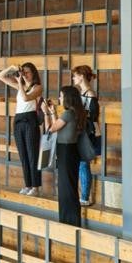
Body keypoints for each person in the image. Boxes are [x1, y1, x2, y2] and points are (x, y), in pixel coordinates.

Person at [0, 62, 43, 196]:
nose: (25, 75)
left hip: (30, 120)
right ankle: (28, 184)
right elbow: (0, 76)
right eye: (23, 72)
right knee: (23, 155)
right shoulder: (20, 85)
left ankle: (35, 186)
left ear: (33, 73)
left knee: (32, 154)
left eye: (27, 72)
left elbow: (26, 97)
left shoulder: (38, 87)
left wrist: (20, 83)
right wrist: (12, 68)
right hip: (18, 120)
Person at [42, 86, 85, 227]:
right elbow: (59, 127)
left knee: (66, 187)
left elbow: (50, 129)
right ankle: (71, 219)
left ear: (67, 97)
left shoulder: (68, 114)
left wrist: (45, 114)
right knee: (69, 186)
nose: (59, 98)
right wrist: (53, 112)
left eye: (61, 96)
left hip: (66, 151)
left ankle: (68, 220)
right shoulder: (75, 112)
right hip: (71, 151)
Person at [71, 65, 100, 207]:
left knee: (84, 164)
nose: (73, 78)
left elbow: (93, 116)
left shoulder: (90, 94)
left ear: (81, 76)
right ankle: (82, 195)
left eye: (75, 75)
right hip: (81, 131)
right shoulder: (82, 93)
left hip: (88, 133)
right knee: (81, 164)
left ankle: (85, 196)